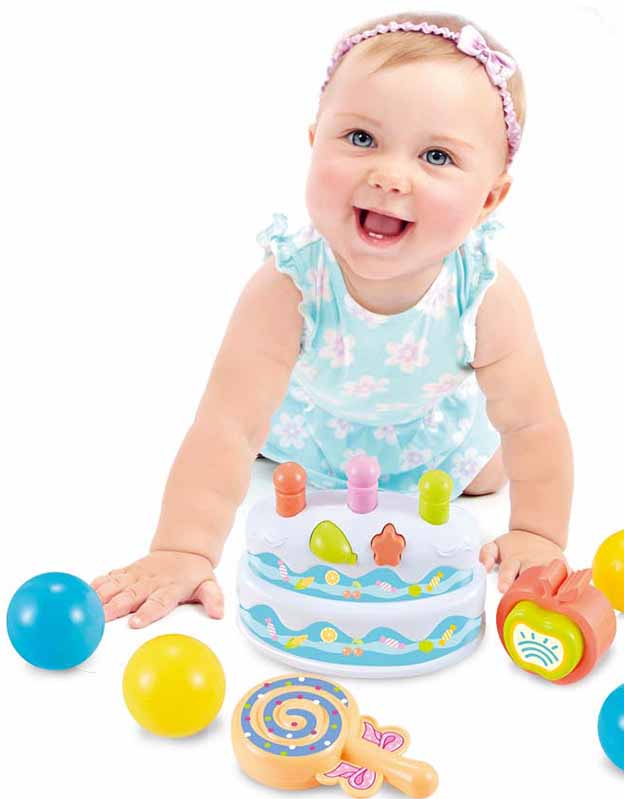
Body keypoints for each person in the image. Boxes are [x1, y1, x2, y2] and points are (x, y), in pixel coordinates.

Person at [92, 12, 573, 629]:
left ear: (488, 199)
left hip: (431, 437)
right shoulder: (288, 285)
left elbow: (533, 423)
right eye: (361, 138)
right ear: (314, 139)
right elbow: (227, 425)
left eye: (436, 155)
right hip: (308, 434)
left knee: (493, 472)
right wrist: (183, 549)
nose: (389, 176)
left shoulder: (484, 294)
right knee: (254, 442)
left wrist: (538, 533)